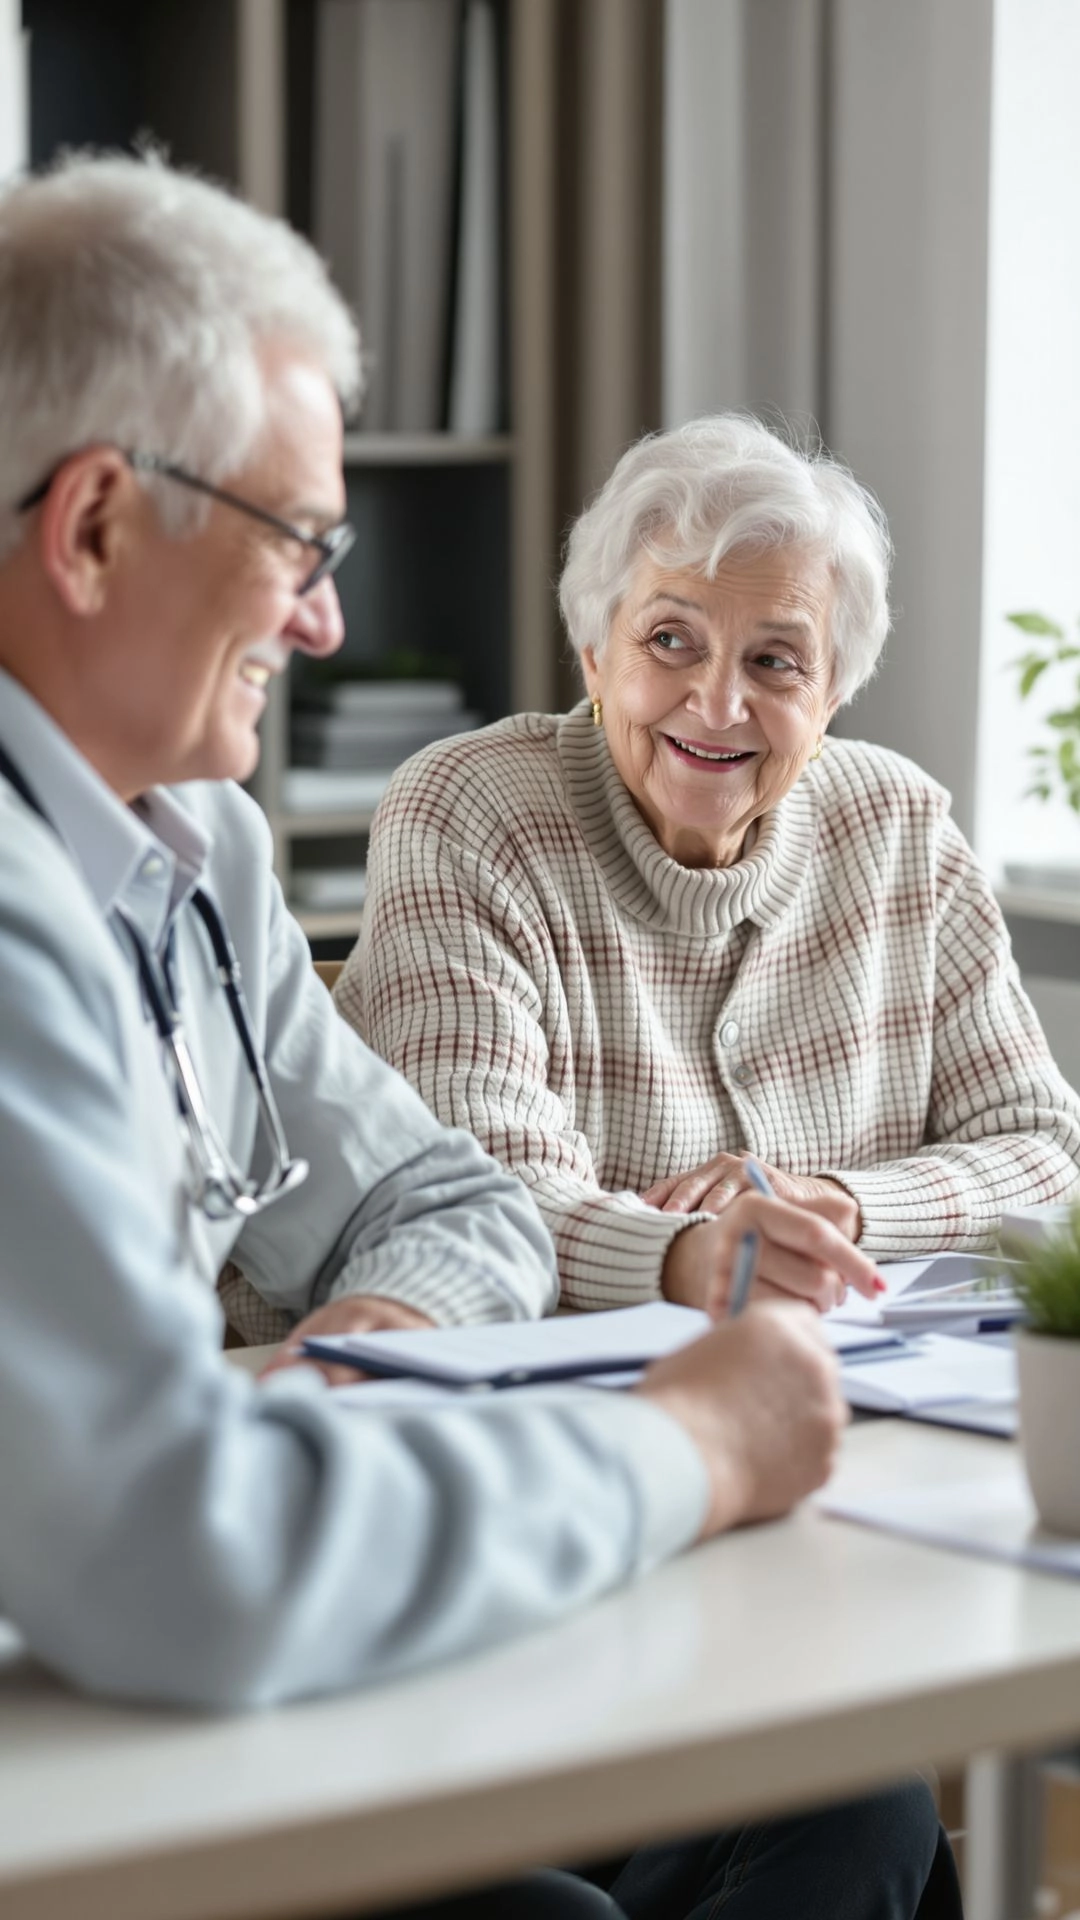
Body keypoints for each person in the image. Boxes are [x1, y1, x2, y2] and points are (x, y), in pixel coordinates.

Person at [0, 156, 960, 1919]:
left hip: (193, 1661)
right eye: (296, 540)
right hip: (74, 1751)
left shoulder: (184, 850)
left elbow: (455, 1205)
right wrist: (694, 1445)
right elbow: (169, 1554)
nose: (326, 618)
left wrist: (376, 1334)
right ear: (91, 527)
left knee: (850, 1820)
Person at [344, 413, 1080, 1318]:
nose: (719, 703)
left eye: (776, 661)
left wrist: (841, 1206)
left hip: (844, 1391)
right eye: (669, 641)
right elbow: (485, 1198)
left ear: (832, 697)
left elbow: (1045, 1149)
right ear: (593, 657)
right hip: (505, 1393)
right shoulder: (469, 812)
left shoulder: (902, 827)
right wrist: (695, 1258)